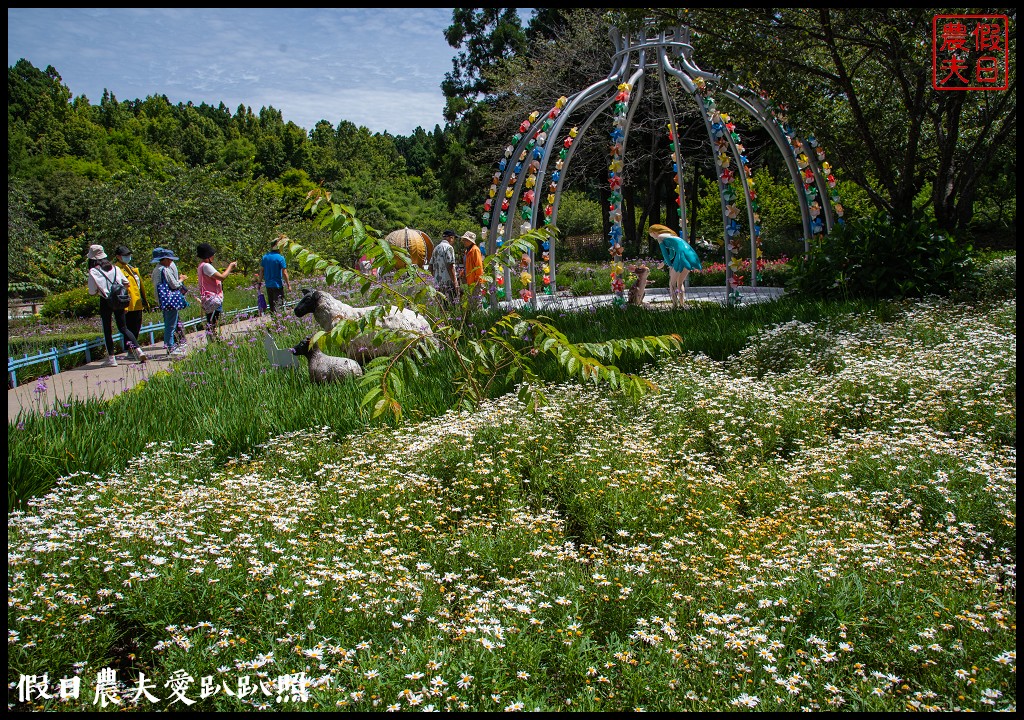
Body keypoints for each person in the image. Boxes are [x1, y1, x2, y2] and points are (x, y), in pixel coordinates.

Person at [86, 244, 147, 366]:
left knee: (107, 330)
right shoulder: (115, 268)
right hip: (119, 299)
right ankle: (138, 350)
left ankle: (112, 359)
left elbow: (92, 291)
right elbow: (126, 283)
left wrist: (102, 289)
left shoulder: (93, 271)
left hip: (106, 300)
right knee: (123, 328)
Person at [648, 223, 702, 308]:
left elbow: (665, 253)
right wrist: (663, 263)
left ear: (654, 232)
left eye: (651, 235)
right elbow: (671, 255)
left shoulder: (660, 237)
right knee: (680, 282)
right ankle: (682, 303)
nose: (652, 237)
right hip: (689, 253)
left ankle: (675, 305)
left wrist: (670, 265)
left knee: (672, 283)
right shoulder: (670, 236)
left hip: (681, 256)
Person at [151, 247, 188, 356]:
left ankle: (172, 346)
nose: (171, 261)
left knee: (170, 322)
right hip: (171, 301)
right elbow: (175, 285)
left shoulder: (156, 270)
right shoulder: (165, 270)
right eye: (169, 259)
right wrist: (181, 279)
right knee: (171, 325)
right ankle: (170, 347)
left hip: (163, 301)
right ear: (164, 259)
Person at [196, 243, 237, 338]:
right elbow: (222, 277)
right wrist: (230, 267)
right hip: (213, 298)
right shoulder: (206, 266)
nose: (213, 256)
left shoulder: (201, 266)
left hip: (208, 298)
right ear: (208, 256)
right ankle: (214, 339)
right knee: (213, 321)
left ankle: (213, 338)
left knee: (211, 321)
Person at [113, 245, 150, 346]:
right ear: (118, 256)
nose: (128, 257)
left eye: (129, 254)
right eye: (125, 255)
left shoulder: (131, 268)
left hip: (137, 303)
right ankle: (131, 349)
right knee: (129, 328)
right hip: (128, 304)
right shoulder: (116, 269)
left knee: (137, 327)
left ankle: (133, 348)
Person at [258, 237, 291, 313]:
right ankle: (280, 322)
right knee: (279, 306)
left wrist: (259, 283)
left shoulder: (265, 257)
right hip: (277, 285)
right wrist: (288, 285)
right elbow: (284, 273)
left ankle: (274, 321)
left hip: (268, 286)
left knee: (272, 307)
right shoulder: (280, 258)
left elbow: (261, 271)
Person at [428, 229, 459, 307]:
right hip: (448, 283)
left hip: (437, 284)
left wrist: (435, 278)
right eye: (454, 239)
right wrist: (455, 282)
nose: (453, 241)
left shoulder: (436, 248)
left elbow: (430, 267)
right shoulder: (449, 248)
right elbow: (450, 266)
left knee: (441, 307)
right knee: (451, 306)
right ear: (451, 238)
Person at [460, 230, 484, 311]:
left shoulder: (475, 250)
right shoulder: (467, 251)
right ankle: (473, 319)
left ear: (470, 241)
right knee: (472, 302)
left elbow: (479, 266)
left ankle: (478, 319)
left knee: (477, 302)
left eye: (466, 240)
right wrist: (463, 273)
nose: (464, 241)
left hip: (476, 281)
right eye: (464, 239)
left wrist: (478, 279)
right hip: (470, 281)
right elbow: (467, 265)